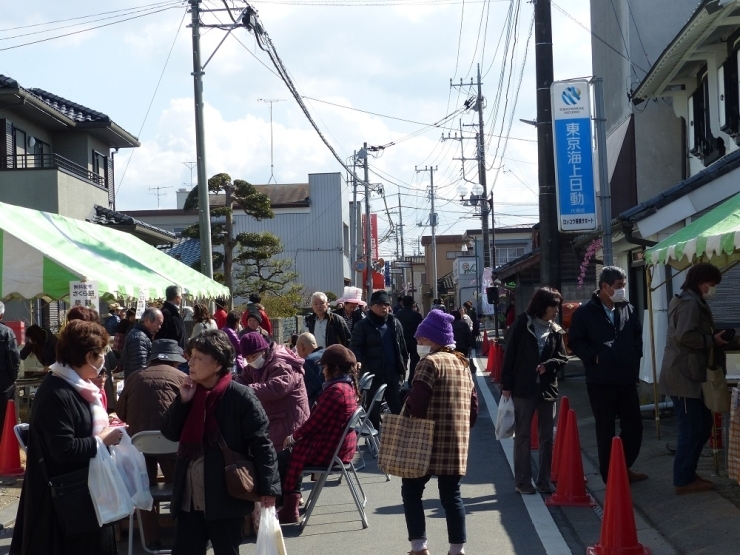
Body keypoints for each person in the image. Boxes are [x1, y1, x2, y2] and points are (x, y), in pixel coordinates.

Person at [161, 330, 281, 555]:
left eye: (198, 357)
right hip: (189, 499)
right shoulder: (191, 392)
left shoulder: (240, 396)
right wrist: (182, 402)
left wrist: (269, 489)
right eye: (191, 355)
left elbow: (262, 444)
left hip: (225, 497)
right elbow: (169, 432)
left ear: (217, 364)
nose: (191, 362)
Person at [10, 320, 125, 555]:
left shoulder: (77, 385)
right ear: (86, 356)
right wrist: (102, 439)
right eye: (100, 353)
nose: (103, 358)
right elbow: (64, 449)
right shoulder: (57, 392)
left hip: (83, 497)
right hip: (64, 505)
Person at [403, 310, 478, 555]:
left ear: (432, 339)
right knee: (451, 495)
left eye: (421, 339)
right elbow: (473, 407)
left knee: (412, 488)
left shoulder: (429, 363)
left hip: (426, 439)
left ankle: (419, 546)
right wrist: (461, 428)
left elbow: (417, 402)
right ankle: (457, 549)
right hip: (455, 441)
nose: (418, 343)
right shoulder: (462, 363)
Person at [659, 263, 737, 495]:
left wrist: (713, 338)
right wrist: (712, 341)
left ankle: (688, 473)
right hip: (684, 377)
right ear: (701, 282)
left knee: (702, 426)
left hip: (690, 375)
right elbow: (685, 336)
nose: (712, 289)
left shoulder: (690, 299)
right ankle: (683, 479)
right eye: (712, 285)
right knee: (693, 429)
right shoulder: (691, 302)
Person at [568, 266, 646, 484]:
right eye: (618, 286)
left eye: (623, 285)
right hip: (600, 380)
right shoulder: (585, 312)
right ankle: (610, 475)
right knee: (605, 429)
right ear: (604, 286)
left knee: (634, 426)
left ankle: (623, 465)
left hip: (626, 377)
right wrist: (594, 357)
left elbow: (637, 334)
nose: (622, 290)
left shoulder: (627, 307)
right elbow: (575, 341)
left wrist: (634, 353)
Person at [277, 344, 360, 523]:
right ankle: (290, 503)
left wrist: (293, 437)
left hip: (331, 450)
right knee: (291, 452)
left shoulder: (335, 391)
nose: (322, 371)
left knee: (284, 458)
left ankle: (288, 507)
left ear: (335, 369)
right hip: (341, 446)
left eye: (324, 367)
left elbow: (313, 424)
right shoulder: (346, 386)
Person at [116, 339, 187, 548]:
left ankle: (151, 538)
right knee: (182, 485)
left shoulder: (133, 377)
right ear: (174, 361)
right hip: (173, 444)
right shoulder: (182, 378)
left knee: (144, 486)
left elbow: (121, 413)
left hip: (139, 445)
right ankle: (184, 529)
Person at [501, 287, 567, 495]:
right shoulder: (522, 324)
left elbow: (563, 357)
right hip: (523, 387)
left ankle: (544, 480)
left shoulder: (555, 329)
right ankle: (522, 481)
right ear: (541, 306)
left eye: (557, 306)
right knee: (523, 435)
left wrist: (549, 364)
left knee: (547, 436)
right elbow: (509, 354)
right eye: (553, 306)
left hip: (547, 388)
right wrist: (506, 385)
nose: (556, 310)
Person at [237, 332, 310, 452]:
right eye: (247, 359)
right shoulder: (258, 364)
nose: (251, 361)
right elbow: (243, 377)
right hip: (277, 422)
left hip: (289, 426)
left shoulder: (281, 363)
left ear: (263, 350)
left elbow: (276, 388)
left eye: (253, 357)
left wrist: (246, 390)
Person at [350, 290, 408, 427]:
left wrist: (404, 364)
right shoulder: (362, 326)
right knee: (372, 411)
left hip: (393, 374)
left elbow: (402, 346)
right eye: (379, 304)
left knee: (398, 409)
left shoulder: (394, 323)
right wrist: (357, 361)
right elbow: (356, 347)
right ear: (371, 306)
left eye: (386, 304)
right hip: (373, 375)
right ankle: (375, 444)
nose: (383, 307)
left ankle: (398, 440)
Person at [120, 307, 164, 378]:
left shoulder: (141, 336)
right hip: (137, 385)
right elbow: (140, 369)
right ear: (147, 320)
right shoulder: (139, 338)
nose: (159, 327)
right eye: (158, 323)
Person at [0, 302, 19, 440]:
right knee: (3, 419)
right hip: (3, 384)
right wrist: (13, 378)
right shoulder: (6, 332)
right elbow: (13, 359)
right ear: (1, 315)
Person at [395, 295, 424, 383]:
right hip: (414, 340)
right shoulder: (417, 315)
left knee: (402, 360)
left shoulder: (398, 314)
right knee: (414, 360)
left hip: (401, 340)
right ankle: (411, 379)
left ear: (402, 303)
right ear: (412, 304)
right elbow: (421, 328)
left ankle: (401, 378)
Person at [295, 332, 325, 407]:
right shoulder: (327, 353)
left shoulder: (308, 362)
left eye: (298, 351)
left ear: (302, 347)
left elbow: (305, 391)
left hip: (318, 405)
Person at [159, 285, 186, 349]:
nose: (181, 298)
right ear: (177, 298)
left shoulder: (168, 312)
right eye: (181, 296)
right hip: (172, 353)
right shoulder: (167, 313)